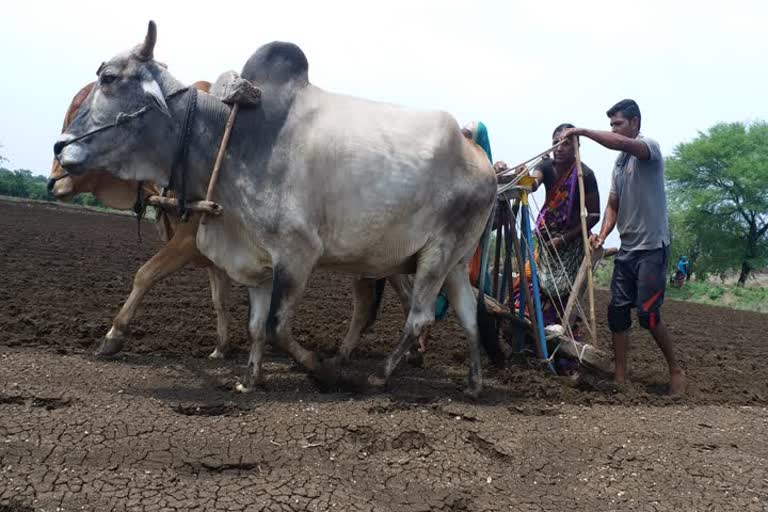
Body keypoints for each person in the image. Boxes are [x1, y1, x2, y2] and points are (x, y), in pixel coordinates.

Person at [560, 99, 686, 395]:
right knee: (617, 312)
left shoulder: (648, 150)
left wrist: (583, 131)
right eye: (612, 125)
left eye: (618, 124)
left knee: (648, 315)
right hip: (628, 249)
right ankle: (619, 377)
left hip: (653, 248)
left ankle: (676, 370)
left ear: (635, 123)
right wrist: (602, 234)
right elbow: (613, 205)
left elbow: (620, 144)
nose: (614, 130)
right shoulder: (619, 164)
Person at [494, 124, 600, 370]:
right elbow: (531, 185)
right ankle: (526, 343)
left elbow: (593, 214)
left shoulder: (585, 174)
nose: (559, 148)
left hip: (569, 247)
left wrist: (564, 239)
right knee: (527, 290)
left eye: (566, 144)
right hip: (543, 242)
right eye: (556, 142)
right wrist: (520, 174)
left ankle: (558, 353)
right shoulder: (545, 166)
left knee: (562, 300)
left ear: (576, 147)